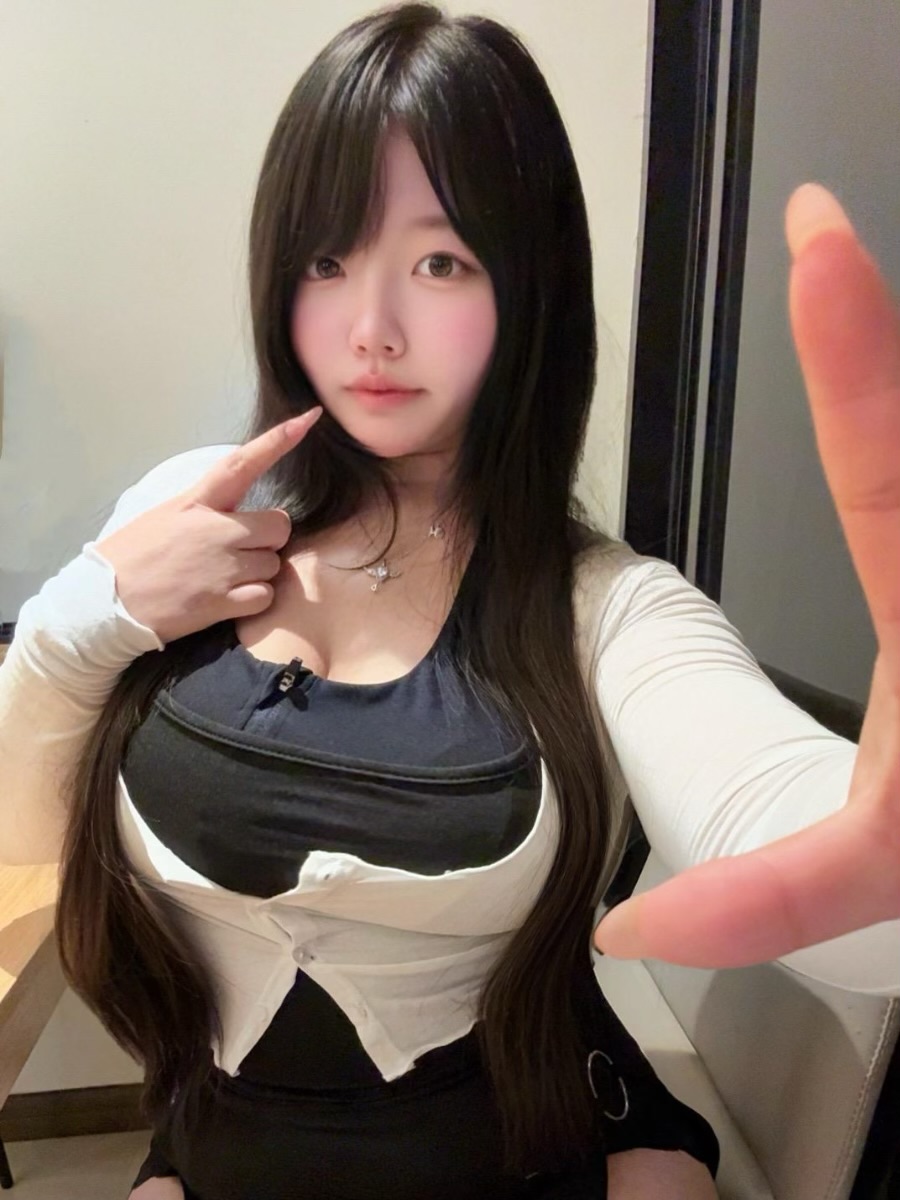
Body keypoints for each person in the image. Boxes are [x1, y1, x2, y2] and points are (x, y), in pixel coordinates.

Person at [0, 4, 897, 1198]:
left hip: (534, 1152)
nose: (371, 331)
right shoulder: (188, 512)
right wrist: (87, 621)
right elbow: (16, 835)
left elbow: (816, 852)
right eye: (328, 259)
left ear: (527, 289)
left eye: (439, 263)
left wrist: (877, 849)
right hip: (221, 1151)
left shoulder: (605, 609)